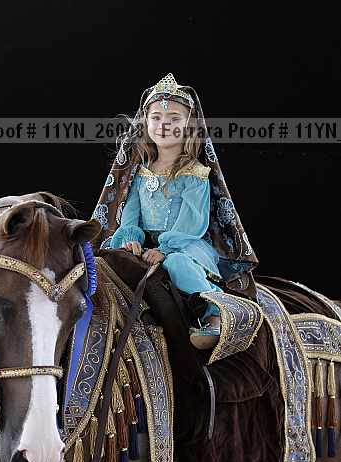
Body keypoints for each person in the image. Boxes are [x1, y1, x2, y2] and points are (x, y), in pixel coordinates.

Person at [93, 73, 259, 349]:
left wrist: (165, 250)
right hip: (146, 245)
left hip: (185, 245)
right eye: (156, 118)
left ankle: (215, 312)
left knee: (176, 265)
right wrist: (130, 239)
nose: (164, 125)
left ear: (189, 125)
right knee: (109, 260)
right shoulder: (139, 174)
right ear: (146, 123)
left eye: (173, 119)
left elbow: (192, 223)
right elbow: (130, 214)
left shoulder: (195, 174)